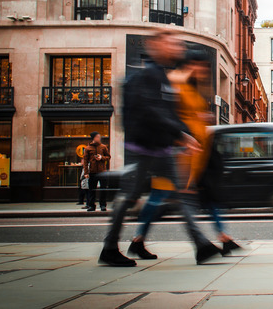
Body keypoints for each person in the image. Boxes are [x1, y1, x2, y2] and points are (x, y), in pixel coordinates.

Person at [99, 29, 220, 267]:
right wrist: (182, 136)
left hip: (162, 148)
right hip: (143, 148)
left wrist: (184, 135)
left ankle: (201, 245)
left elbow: (170, 113)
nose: (178, 48)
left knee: (181, 196)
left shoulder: (163, 76)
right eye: (172, 44)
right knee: (130, 197)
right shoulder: (149, 75)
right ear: (156, 45)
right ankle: (110, 247)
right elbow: (151, 111)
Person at [129, 50, 241, 258]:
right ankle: (203, 244)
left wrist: (202, 118)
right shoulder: (177, 83)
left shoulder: (193, 87)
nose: (204, 71)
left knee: (167, 198)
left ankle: (139, 241)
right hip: (178, 153)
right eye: (200, 66)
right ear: (191, 64)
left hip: (195, 153)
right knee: (165, 197)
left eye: (206, 67)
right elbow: (169, 116)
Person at [85, 132, 111, 212]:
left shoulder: (103, 147)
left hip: (102, 171)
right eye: (97, 137)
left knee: (103, 189)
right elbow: (85, 161)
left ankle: (103, 205)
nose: (99, 138)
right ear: (93, 138)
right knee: (91, 189)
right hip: (92, 171)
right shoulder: (88, 148)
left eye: (99, 137)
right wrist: (86, 173)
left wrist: (101, 158)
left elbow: (108, 157)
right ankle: (91, 206)